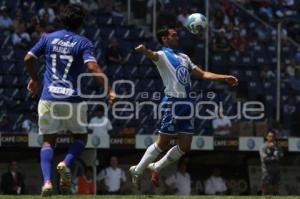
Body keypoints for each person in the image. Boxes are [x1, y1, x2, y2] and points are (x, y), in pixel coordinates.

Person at [24, 3, 116, 196]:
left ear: (61, 19)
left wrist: (34, 79)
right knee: (81, 138)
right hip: (72, 100)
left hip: (48, 98)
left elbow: (28, 58)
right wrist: (109, 89)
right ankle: (65, 163)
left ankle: (48, 183)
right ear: (81, 22)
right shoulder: (83, 42)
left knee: (48, 142)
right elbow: (92, 68)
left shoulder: (48, 38)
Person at [129, 26, 238, 187]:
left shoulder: (184, 57)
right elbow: (153, 55)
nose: (177, 37)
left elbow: (203, 74)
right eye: (174, 35)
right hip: (172, 103)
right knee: (162, 143)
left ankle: (157, 166)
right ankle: (137, 170)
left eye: (177, 35)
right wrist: (145, 50)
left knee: (185, 145)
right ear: (165, 39)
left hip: (187, 103)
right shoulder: (162, 55)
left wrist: (224, 77)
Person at [259, 131, 283, 195]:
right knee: (265, 188)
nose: (271, 138)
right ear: (267, 137)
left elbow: (281, 155)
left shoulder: (277, 146)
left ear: (275, 137)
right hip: (267, 171)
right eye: (269, 136)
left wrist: (275, 148)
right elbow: (265, 159)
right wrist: (275, 158)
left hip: (276, 170)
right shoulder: (263, 147)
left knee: (276, 188)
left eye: (273, 136)